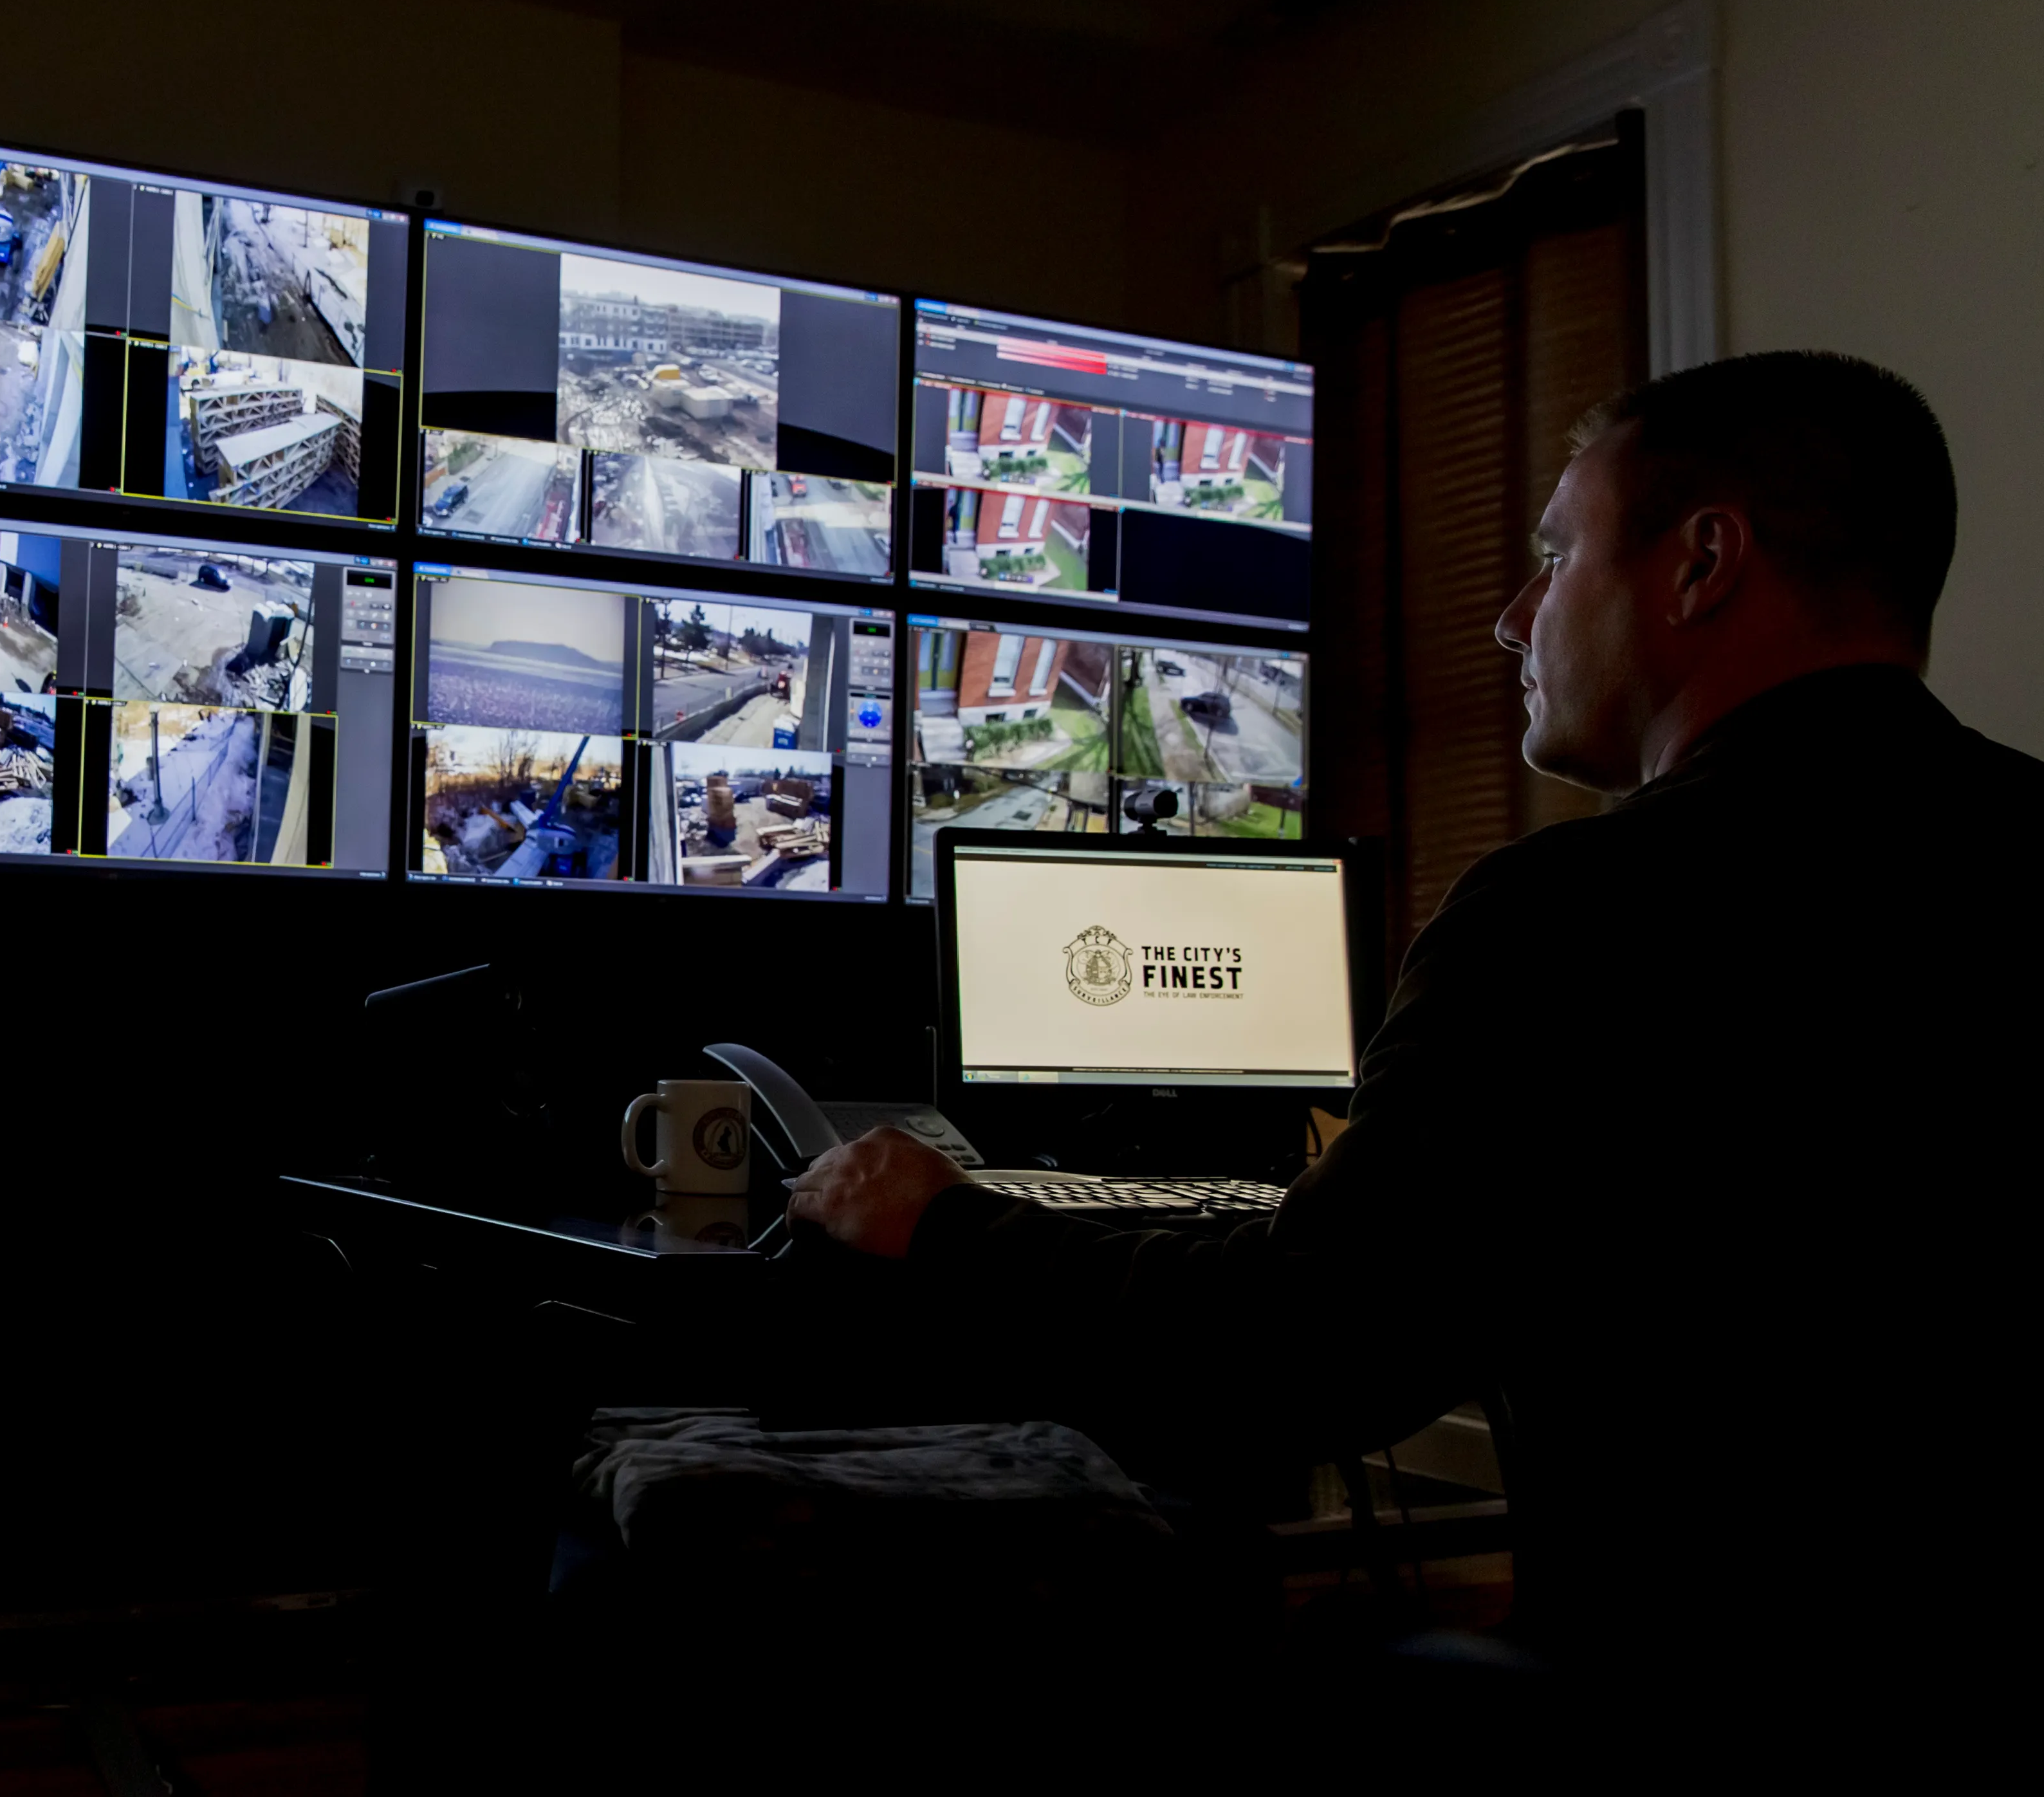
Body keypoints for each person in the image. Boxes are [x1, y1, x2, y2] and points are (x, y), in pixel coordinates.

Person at [787, 352, 2042, 1698]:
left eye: (1553, 555)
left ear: (1699, 564)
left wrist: (943, 1220)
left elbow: (1309, 1350)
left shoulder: (1577, 909)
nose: (1512, 617)